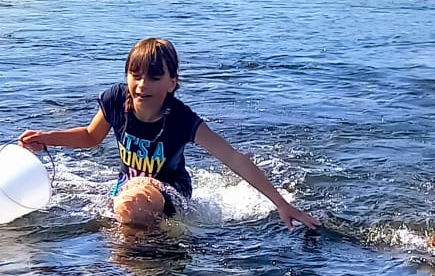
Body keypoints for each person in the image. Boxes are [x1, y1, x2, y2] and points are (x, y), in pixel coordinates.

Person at [19, 37, 319, 232]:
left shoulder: (181, 119)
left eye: (154, 77)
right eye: (135, 75)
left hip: (172, 192)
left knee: (131, 207)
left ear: (172, 83)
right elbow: (89, 136)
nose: (142, 85)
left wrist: (282, 204)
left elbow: (233, 158)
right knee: (123, 230)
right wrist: (47, 137)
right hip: (128, 187)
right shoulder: (115, 100)